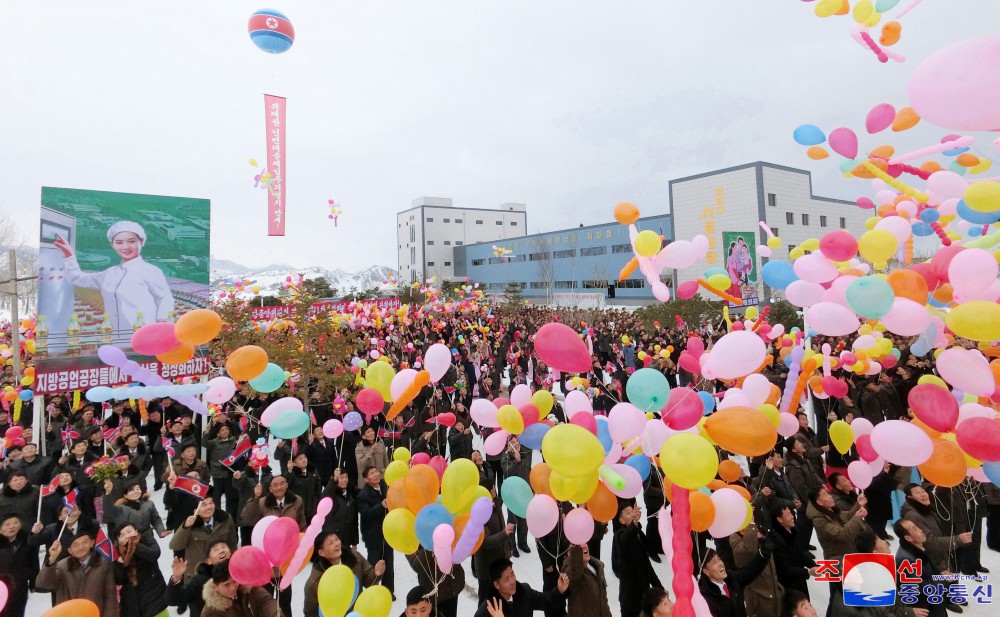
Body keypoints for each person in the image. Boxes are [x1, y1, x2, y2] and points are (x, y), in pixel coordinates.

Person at [54, 221, 174, 333]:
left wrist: (161, 323)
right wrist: (69, 257)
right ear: (112, 245)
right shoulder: (109, 273)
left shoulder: (151, 271)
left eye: (131, 241)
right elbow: (78, 279)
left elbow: (165, 298)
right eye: (119, 242)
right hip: (115, 338)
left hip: (143, 337)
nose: (125, 247)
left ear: (141, 242)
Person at [303, 531, 386, 617]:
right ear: (321, 552)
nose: (336, 543)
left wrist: (376, 573)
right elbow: (310, 613)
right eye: (331, 543)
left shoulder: (354, 557)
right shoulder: (315, 581)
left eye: (336, 539)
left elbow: (369, 581)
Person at [36, 531, 118, 617]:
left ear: (92, 543)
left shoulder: (104, 564)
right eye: (76, 545)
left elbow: (110, 596)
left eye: (85, 542)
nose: (81, 547)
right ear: (70, 550)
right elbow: (43, 583)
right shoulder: (62, 566)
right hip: (68, 614)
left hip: (94, 613)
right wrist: (52, 558)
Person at [169, 494, 239, 580]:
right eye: (204, 504)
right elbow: (175, 545)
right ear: (195, 510)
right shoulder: (189, 525)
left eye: (211, 503)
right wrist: (185, 527)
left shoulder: (225, 519)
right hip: (198, 574)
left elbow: (232, 543)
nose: (209, 507)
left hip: (223, 570)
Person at [474, 557, 569, 617]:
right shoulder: (488, 610)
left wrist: (559, 590)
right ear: (496, 584)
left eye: (512, 574)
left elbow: (546, 602)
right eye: (507, 579)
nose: (512, 581)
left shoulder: (524, 591)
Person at [613, 501, 662, 617]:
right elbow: (626, 539)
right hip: (630, 600)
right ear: (621, 520)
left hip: (644, 597)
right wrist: (634, 523)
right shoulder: (619, 535)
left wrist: (659, 588)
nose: (632, 514)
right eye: (628, 513)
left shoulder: (639, 535)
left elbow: (647, 566)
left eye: (633, 511)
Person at [113, 522, 168, 617]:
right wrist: (118, 565)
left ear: (136, 531)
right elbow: (119, 580)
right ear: (118, 539)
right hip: (133, 605)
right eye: (122, 535)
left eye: (129, 531)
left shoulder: (146, 539)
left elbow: (154, 554)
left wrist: (134, 546)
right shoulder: (117, 553)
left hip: (154, 598)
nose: (126, 536)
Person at [473, 477, 514, 604]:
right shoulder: (478, 512)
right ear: (491, 490)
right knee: (485, 601)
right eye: (493, 488)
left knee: (499, 600)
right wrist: (504, 534)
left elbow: (501, 526)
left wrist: (508, 548)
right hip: (487, 568)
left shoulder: (496, 504)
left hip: (499, 563)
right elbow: (485, 541)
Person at [894, 519, 947, 617]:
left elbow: (927, 573)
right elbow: (923, 588)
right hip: (925, 608)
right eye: (914, 529)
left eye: (916, 526)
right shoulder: (906, 560)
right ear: (908, 538)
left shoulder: (916, 548)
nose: (920, 530)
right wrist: (943, 579)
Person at [698, 546, 770, 617]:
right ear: (706, 571)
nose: (720, 564)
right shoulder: (706, 598)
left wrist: (763, 553)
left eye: (719, 559)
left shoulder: (731, 579)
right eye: (714, 562)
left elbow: (750, 570)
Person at [166, 541, 232, 617]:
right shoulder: (200, 581)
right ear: (209, 561)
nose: (221, 550)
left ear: (230, 553)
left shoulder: (240, 574)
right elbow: (172, 600)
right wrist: (176, 577)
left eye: (223, 547)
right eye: (215, 550)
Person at [356, 465, 394, 594]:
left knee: (389, 562)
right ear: (366, 479)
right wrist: (381, 506)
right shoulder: (363, 495)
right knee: (374, 563)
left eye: (376, 471)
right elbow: (366, 514)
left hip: (388, 531)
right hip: (373, 534)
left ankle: (389, 591)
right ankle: (372, 589)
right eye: (371, 473)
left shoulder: (385, 486)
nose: (376, 474)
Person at [768, 505, 818, 598]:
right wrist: (808, 572)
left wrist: (814, 565)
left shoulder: (793, 532)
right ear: (779, 519)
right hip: (790, 585)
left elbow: (800, 554)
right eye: (788, 514)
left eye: (791, 513)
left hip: (799, 579)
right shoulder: (777, 541)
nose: (792, 517)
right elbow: (784, 569)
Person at [201, 560, 279, 617]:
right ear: (215, 587)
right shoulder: (210, 613)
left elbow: (266, 601)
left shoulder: (249, 588)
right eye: (227, 585)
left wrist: (275, 614)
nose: (233, 587)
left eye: (235, 581)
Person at [404, 545, 465, 617]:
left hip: (451, 587)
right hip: (432, 592)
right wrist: (431, 543)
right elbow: (417, 565)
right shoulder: (410, 537)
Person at [103, 479, 168, 543]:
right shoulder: (121, 508)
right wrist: (108, 493)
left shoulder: (148, 504)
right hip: (129, 542)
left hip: (148, 539)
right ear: (125, 495)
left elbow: (156, 520)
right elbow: (109, 510)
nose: (136, 491)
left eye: (138, 489)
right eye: (132, 490)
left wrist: (161, 532)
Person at [0, 511, 38, 617]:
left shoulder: (27, 540)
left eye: (15, 523)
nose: (12, 526)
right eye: (7, 524)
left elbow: (33, 562)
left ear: (21, 525)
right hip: (1, 588)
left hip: (20, 586)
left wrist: (33, 582)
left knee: (18, 613)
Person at [564, 543, 612, 617]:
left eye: (584, 541)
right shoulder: (568, 571)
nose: (583, 545)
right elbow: (575, 573)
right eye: (577, 545)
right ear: (569, 553)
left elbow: (603, 600)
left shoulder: (597, 566)